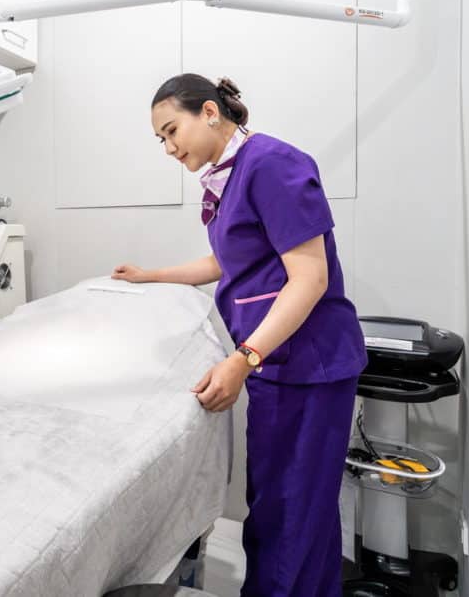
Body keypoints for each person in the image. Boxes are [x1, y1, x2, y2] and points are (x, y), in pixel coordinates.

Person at [113, 74, 367, 596]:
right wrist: (150, 275)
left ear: (210, 112)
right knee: (297, 509)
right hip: (278, 364)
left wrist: (243, 358)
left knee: (288, 512)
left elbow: (310, 278)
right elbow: (224, 261)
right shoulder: (229, 176)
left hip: (308, 366)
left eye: (171, 130)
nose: (168, 148)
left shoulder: (272, 164)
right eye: (161, 139)